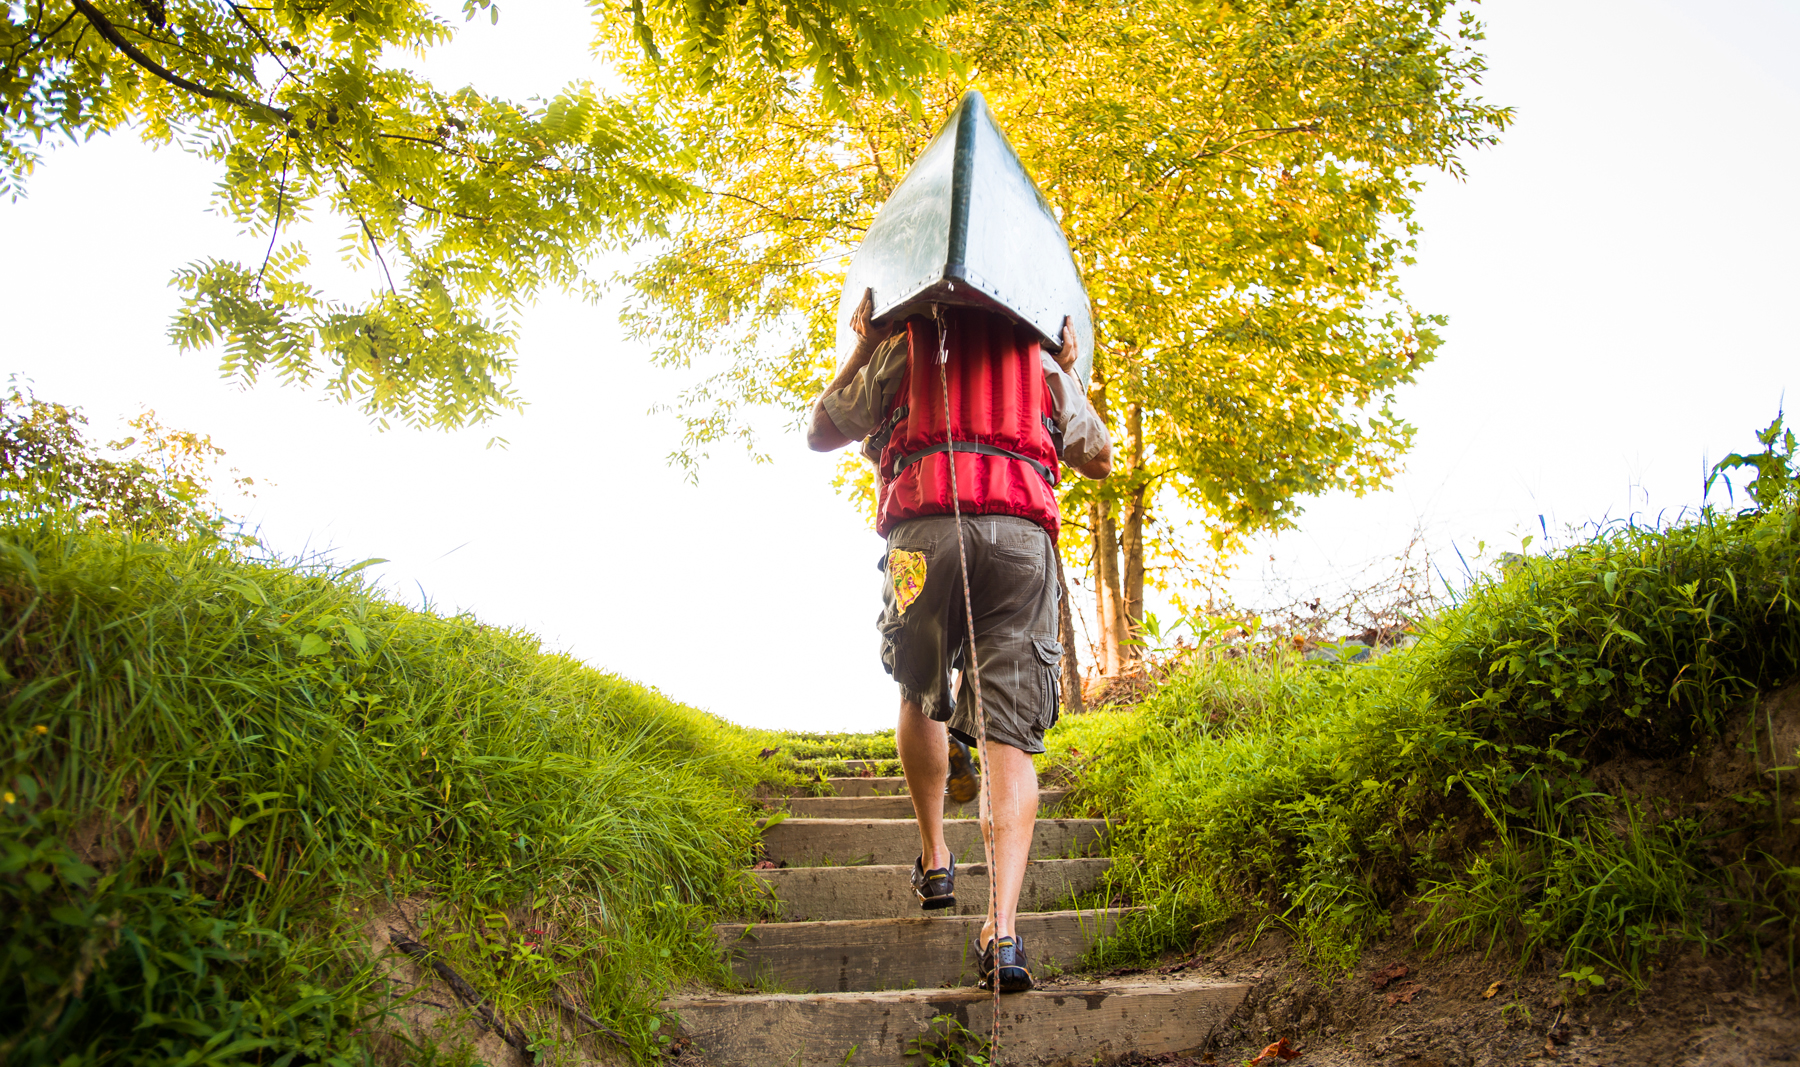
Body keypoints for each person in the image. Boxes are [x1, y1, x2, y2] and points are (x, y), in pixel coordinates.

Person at [807, 289, 1112, 992]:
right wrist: (1071, 369)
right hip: (1020, 544)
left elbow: (821, 430)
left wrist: (863, 340)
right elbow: (1097, 458)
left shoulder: (900, 344)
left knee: (919, 691)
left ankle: (936, 856)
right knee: (1009, 734)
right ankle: (1002, 933)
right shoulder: (1037, 359)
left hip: (923, 538)